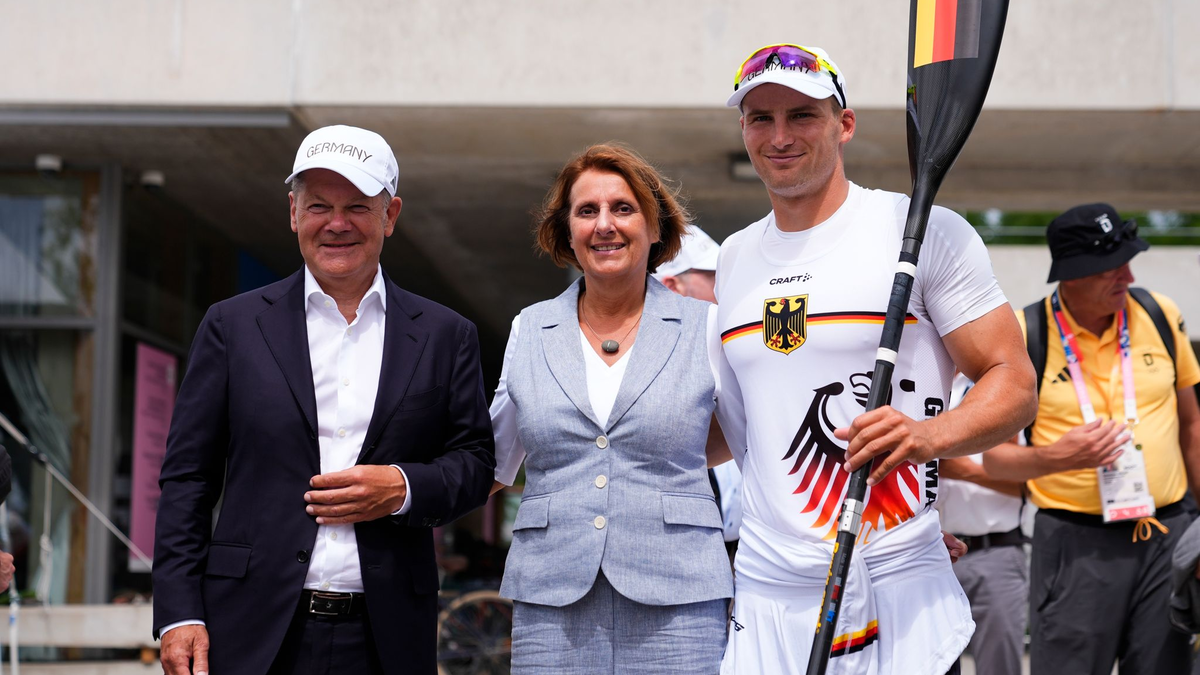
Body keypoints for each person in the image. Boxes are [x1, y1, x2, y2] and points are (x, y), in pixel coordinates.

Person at [712, 44, 1037, 675]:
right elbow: (734, 427)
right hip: (769, 589)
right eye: (760, 118)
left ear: (845, 124)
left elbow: (1013, 381)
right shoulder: (733, 259)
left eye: (802, 114)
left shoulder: (920, 229)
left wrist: (926, 436)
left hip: (896, 578)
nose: (779, 136)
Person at [152, 125, 496, 675]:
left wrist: (403, 487)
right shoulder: (232, 326)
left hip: (386, 637)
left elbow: (475, 463)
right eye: (318, 205)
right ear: (293, 212)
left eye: (357, 206)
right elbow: (187, 478)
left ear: (391, 215)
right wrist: (177, 613)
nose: (337, 224)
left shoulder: (444, 333)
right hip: (250, 631)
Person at [489, 144, 734, 673]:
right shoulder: (529, 328)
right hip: (551, 600)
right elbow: (493, 459)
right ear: (566, 230)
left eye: (623, 208)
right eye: (587, 211)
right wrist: (403, 491)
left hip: (681, 600)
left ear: (654, 226)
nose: (605, 225)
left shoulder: (706, 326)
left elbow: (754, 447)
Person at [979, 203, 1200, 675]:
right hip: (1075, 545)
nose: (1127, 274)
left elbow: (1193, 427)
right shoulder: (1023, 333)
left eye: (1127, 260)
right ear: (1073, 274)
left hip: (1168, 533)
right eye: (1111, 266)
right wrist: (1057, 458)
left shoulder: (1160, 312)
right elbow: (995, 461)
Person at [652, 225, 743, 555]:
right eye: (714, 277)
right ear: (673, 286)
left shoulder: (732, 353)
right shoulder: (649, 376)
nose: (728, 288)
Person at [937, 374, 1029, 675]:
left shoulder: (1010, 389)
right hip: (929, 555)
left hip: (995, 555)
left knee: (998, 668)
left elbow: (1038, 486)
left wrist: (960, 471)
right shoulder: (918, 380)